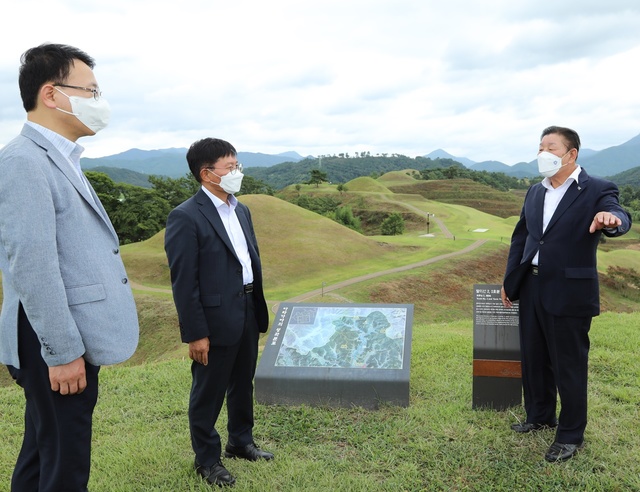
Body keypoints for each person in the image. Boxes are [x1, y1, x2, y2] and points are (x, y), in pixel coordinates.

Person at [0, 44, 139, 491]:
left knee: (44, 451)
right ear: (52, 94)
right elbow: (32, 264)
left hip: (63, 332)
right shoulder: (23, 161)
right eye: (91, 92)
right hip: (52, 337)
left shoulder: (61, 156)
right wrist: (61, 354)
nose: (100, 103)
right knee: (66, 463)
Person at [501, 126, 631, 462]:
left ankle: (571, 434)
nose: (543, 152)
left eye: (551, 146)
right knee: (534, 358)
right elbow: (522, 238)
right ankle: (540, 415)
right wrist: (510, 280)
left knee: (568, 365)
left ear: (571, 153)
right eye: (540, 146)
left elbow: (619, 214)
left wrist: (611, 219)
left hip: (569, 290)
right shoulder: (535, 191)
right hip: (531, 284)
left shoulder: (596, 188)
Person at [164, 137, 273, 487]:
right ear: (207, 173)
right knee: (208, 392)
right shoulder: (185, 217)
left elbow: (247, 259)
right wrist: (195, 333)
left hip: (246, 307)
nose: (237, 172)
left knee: (243, 382)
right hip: (213, 318)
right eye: (230, 167)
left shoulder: (241, 209)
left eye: (236, 165)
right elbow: (184, 282)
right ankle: (207, 461)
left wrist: (255, 305)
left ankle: (241, 442)